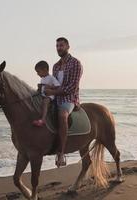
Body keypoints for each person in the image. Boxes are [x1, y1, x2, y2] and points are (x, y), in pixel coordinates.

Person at [45, 37, 83, 168]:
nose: (59, 48)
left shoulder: (75, 63)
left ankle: (61, 152)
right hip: (56, 98)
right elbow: (54, 84)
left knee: (62, 115)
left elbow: (72, 88)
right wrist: (46, 88)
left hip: (70, 98)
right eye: (57, 46)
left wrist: (53, 92)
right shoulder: (55, 66)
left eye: (61, 45)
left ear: (68, 47)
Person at [32, 61, 61, 127]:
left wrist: (50, 87)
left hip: (50, 95)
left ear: (45, 70)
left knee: (45, 102)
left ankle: (43, 119)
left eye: (38, 71)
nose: (37, 74)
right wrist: (39, 88)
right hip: (43, 95)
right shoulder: (42, 79)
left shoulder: (51, 78)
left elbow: (58, 86)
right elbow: (42, 88)